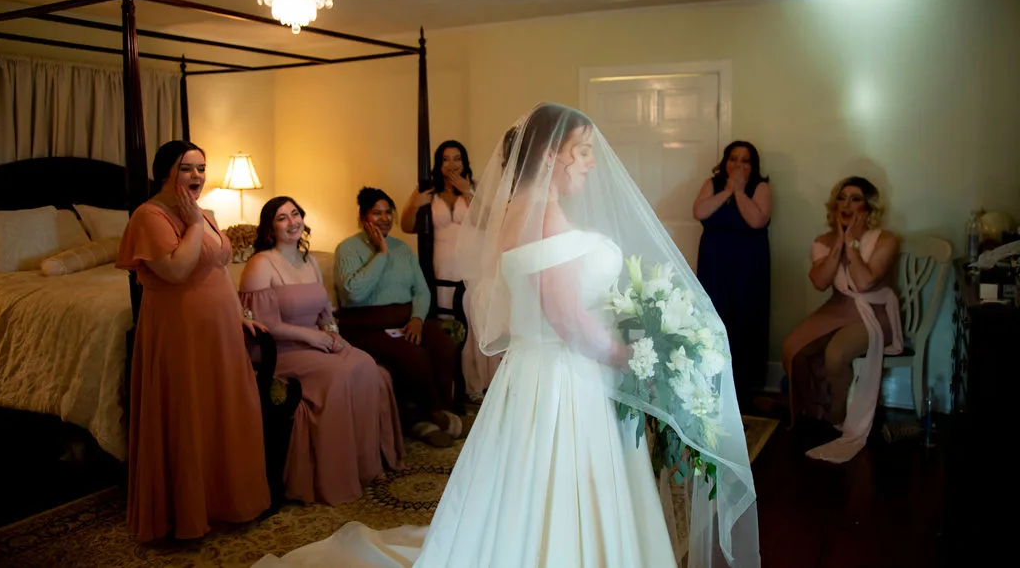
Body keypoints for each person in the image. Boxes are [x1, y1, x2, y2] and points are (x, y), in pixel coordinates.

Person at [255, 103, 758, 568]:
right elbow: (565, 318)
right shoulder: (538, 214)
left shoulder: (531, 209)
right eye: (581, 151)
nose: (590, 162)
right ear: (548, 153)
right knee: (558, 484)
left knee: (535, 484)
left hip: (550, 372)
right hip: (564, 376)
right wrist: (630, 356)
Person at [116, 140, 270, 542]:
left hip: (218, 327)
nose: (198, 176)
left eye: (202, 168)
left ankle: (226, 502)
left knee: (225, 407)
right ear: (166, 172)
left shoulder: (204, 212)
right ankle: (186, 513)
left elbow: (220, 269)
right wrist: (197, 225)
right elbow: (177, 270)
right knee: (189, 411)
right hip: (179, 331)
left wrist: (238, 314)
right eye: (187, 169)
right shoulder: (148, 216)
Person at [238, 196, 404, 506]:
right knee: (340, 374)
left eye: (296, 214)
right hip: (280, 350)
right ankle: (335, 475)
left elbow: (325, 313)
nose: (293, 222)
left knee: (367, 365)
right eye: (282, 218)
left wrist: (331, 334)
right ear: (270, 228)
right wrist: (312, 338)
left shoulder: (310, 261)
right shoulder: (261, 264)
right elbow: (265, 325)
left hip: (314, 342)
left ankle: (365, 465)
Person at [781, 176, 902, 463]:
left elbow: (862, 283)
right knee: (793, 349)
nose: (847, 204)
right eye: (842, 198)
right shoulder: (823, 241)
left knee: (835, 354)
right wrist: (839, 242)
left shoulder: (886, 239)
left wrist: (853, 244)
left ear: (869, 206)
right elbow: (821, 283)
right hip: (837, 308)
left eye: (856, 198)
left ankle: (839, 414)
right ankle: (814, 411)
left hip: (874, 311)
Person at [334, 188, 462, 448]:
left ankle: (427, 413)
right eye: (376, 213)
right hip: (366, 325)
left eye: (388, 212)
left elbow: (422, 290)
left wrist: (416, 319)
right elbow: (354, 292)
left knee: (443, 344)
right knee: (413, 355)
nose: (384, 218)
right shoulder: (347, 249)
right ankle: (430, 415)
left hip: (405, 319)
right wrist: (381, 253)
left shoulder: (402, 248)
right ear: (363, 218)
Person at [402, 140, 501, 401]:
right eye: (446, 159)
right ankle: (452, 386)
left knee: (473, 321)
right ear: (438, 163)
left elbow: (489, 223)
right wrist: (414, 203)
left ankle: (477, 384)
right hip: (441, 267)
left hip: (472, 267)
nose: (452, 164)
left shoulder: (475, 188)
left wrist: (467, 191)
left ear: (464, 161)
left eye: (457, 158)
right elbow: (407, 226)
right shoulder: (429, 192)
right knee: (448, 327)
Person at [692, 141, 772, 404]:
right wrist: (727, 190)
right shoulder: (712, 185)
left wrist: (739, 192)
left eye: (745, 161)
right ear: (725, 162)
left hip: (749, 264)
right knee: (715, 318)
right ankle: (712, 380)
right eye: (733, 159)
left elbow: (757, 220)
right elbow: (699, 211)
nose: (738, 165)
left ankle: (744, 387)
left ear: (753, 165)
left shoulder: (760, 187)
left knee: (746, 317)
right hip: (715, 263)